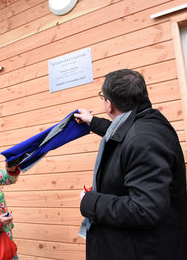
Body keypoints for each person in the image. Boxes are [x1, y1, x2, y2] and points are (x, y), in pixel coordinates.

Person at [74, 69, 187, 260]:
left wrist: (91, 202)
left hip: (146, 251)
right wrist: (92, 122)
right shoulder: (148, 122)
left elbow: (145, 209)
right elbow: (124, 134)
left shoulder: (143, 140)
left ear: (109, 105)